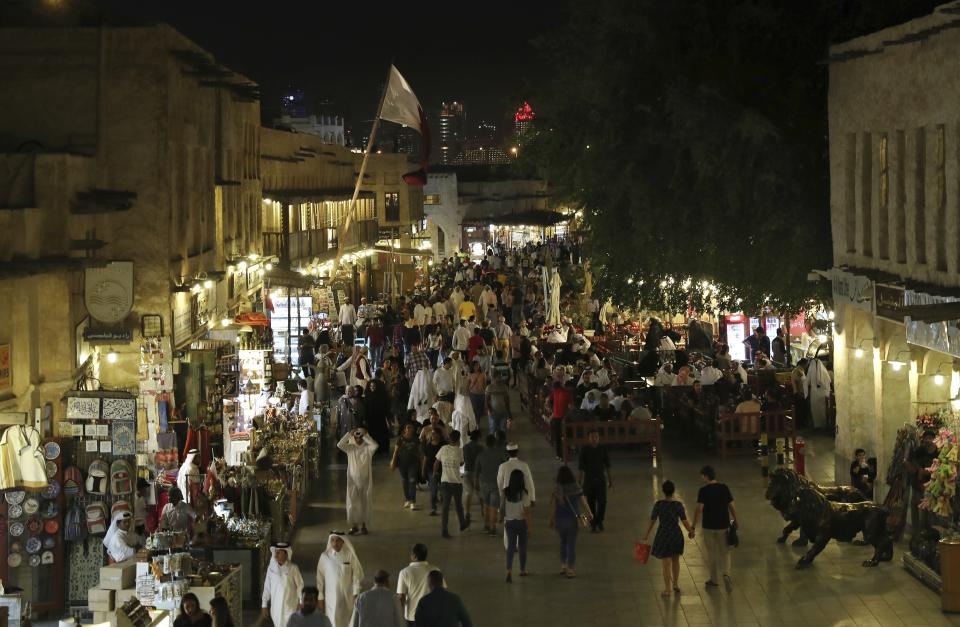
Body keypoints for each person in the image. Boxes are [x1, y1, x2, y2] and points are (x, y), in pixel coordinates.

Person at [643, 480, 694, 597]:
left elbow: (652, 520)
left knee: (666, 563)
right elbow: (685, 521)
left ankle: (667, 589)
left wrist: (646, 535)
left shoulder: (659, 505)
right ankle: (675, 584)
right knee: (676, 560)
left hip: (663, 535)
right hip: (676, 535)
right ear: (673, 491)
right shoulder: (678, 505)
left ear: (663, 491)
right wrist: (691, 531)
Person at [690, 465, 738, 587]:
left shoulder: (703, 491)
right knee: (726, 552)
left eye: (702, 476)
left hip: (708, 526)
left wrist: (693, 526)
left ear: (706, 476)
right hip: (723, 525)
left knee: (712, 553)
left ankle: (714, 580)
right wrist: (736, 520)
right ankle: (726, 574)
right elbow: (731, 506)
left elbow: (699, 509)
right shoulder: (724, 488)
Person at [548, 465, 592, 579]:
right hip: (573, 519)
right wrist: (589, 513)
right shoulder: (576, 487)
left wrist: (551, 519)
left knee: (563, 542)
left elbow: (553, 506)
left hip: (560, 519)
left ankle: (563, 565)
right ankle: (570, 569)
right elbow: (583, 502)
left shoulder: (557, 489)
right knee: (571, 544)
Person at [316, 532, 364, 627]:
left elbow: (356, 576)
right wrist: (320, 597)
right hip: (331, 598)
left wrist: (356, 594)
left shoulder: (350, 555)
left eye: (338, 540)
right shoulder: (324, 557)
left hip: (347, 597)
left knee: (348, 621)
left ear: (343, 541)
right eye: (333, 540)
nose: (335, 543)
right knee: (332, 621)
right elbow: (319, 578)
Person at [337, 428, 378, 535]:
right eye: (356, 436)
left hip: (365, 481)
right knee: (352, 503)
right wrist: (348, 434)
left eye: (360, 436)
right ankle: (354, 526)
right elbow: (339, 445)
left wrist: (366, 435)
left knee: (365, 503)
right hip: (352, 480)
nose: (358, 438)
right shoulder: (350, 448)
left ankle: (364, 525)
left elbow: (375, 445)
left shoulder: (368, 448)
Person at [435, 430, 470, 538]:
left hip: (445, 482)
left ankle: (444, 530)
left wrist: (435, 474)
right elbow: (461, 463)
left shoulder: (443, 449)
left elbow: (436, 462)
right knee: (459, 505)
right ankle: (462, 523)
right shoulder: (460, 451)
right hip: (456, 482)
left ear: (449, 439)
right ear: (458, 439)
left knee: (445, 507)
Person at [500, 469, 532, 582]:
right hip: (521, 522)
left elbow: (502, 507)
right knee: (522, 547)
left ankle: (509, 570)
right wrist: (530, 526)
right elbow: (527, 511)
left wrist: (501, 517)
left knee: (511, 547)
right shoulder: (524, 493)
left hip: (509, 522)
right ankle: (522, 570)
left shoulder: (505, 492)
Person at [262, 543, 304, 627]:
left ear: (286, 553)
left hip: (290, 607)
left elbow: (300, 586)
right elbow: (267, 588)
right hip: (276, 609)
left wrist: (301, 602)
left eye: (279, 552)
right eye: (275, 552)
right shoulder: (271, 569)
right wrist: (264, 605)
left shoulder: (293, 568)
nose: (276, 555)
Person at [577, 430, 611, 532]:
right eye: (592, 437)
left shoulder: (603, 449)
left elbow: (607, 465)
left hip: (601, 478)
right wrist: (579, 481)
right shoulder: (584, 450)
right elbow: (581, 467)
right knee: (590, 502)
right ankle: (593, 523)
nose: (594, 439)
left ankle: (599, 521)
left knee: (602, 502)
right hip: (589, 479)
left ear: (599, 438)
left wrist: (610, 479)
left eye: (596, 437)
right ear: (589, 438)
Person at [397, 543, 437, 626]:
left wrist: (398, 617)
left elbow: (402, 598)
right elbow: (441, 593)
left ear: (414, 556)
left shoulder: (404, 572)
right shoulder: (435, 570)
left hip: (412, 617)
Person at [475, 434, 506, 536]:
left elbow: (477, 471)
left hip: (483, 482)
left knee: (486, 504)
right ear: (495, 443)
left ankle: (486, 525)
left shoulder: (481, 455)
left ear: (485, 443)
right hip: (495, 483)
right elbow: (504, 468)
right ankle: (493, 527)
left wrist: (476, 482)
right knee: (494, 506)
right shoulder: (500, 454)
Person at [391, 422, 423, 510]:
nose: (409, 429)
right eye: (407, 428)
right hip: (402, 464)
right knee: (405, 481)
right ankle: (407, 500)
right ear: (405, 429)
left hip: (413, 464)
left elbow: (420, 453)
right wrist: (393, 462)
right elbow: (396, 452)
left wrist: (422, 463)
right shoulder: (400, 439)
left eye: (411, 428)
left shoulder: (416, 439)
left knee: (412, 481)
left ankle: (413, 501)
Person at [548, 380, 574, 460]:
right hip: (565, 418)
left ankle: (558, 455)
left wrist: (552, 410)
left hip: (556, 418)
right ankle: (569, 452)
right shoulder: (567, 393)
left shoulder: (554, 392)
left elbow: (548, 402)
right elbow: (571, 407)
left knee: (558, 437)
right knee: (567, 435)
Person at [461, 430, 482, 521]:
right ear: (478, 438)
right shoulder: (480, 448)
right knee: (480, 494)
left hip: (467, 472)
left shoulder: (465, 447)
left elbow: (462, 460)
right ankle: (483, 510)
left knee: (468, 493)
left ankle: (467, 513)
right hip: (477, 473)